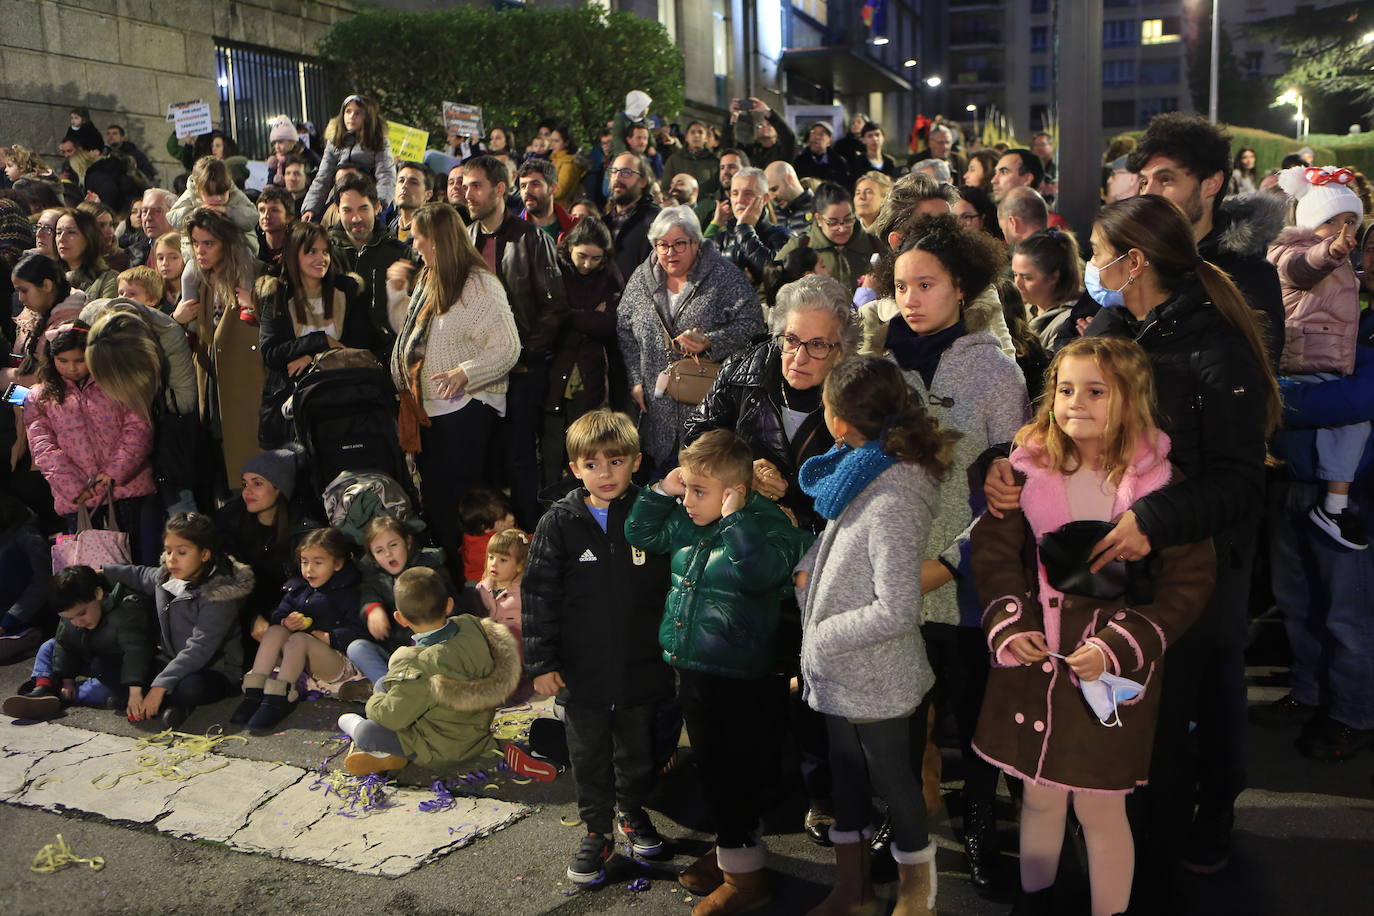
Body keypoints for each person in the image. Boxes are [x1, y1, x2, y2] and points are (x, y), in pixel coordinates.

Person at [986, 194, 1280, 908]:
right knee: (1079, 747)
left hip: (1177, 572)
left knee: (1158, 744)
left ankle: (1157, 875)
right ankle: (1068, 881)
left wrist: (1156, 515)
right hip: (1087, 576)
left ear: (1134, 260)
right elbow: (1055, 420)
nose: (1088, 265)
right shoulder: (1113, 323)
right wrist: (1004, 465)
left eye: (1095, 250)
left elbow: (1242, 481)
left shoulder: (1215, 347)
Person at [972, 336, 1215, 916]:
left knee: (1101, 810)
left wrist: (1118, 647)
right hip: (1033, 669)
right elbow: (995, 553)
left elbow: (1189, 584)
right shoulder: (1024, 473)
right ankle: (1036, 903)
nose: (1075, 401)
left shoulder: (1162, 490)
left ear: (1132, 399)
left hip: (1109, 680)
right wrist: (1009, 625)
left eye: (1096, 391)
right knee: (1038, 798)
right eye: (1065, 389)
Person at [875, 212, 1029, 889]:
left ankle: (979, 825)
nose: (910, 298)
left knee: (976, 712)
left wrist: (960, 558)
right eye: (902, 285)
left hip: (966, 575)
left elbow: (1013, 484)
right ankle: (905, 822)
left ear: (960, 288)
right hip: (894, 567)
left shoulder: (995, 371)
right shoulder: (878, 366)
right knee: (902, 706)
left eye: (926, 284)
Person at [625, 429, 813, 912]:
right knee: (713, 769)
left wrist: (735, 524)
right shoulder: (690, 519)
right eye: (685, 487)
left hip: (742, 676)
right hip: (696, 668)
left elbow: (761, 574)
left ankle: (746, 880)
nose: (687, 500)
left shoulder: (766, 525)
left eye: (697, 490)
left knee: (736, 771)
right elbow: (640, 533)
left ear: (735, 493)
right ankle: (733, 854)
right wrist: (660, 491)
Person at [795, 355, 956, 916]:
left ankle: (919, 896)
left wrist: (821, 635)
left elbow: (896, 607)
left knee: (897, 787)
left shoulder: (891, 495)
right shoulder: (861, 470)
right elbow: (843, 552)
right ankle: (854, 889)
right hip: (844, 672)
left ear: (841, 420)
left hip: (876, 674)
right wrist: (809, 568)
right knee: (848, 785)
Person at [522, 408, 675, 883]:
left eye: (616, 461)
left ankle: (632, 813)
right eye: (592, 464)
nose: (604, 474)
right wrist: (542, 661)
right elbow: (539, 594)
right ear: (574, 469)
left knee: (636, 752)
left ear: (635, 461)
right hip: (581, 672)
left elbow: (673, 587)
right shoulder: (559, 523)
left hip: (640, 666)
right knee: (589, 756)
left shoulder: (652, 516)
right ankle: (596, 831)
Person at [390, 202, 520, 567]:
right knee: (438, 504)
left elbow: (507, 347)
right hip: (430, 411)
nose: (414, 246)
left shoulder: (478, 284)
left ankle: (474, 579)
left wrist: (464, 373)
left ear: (438, 240)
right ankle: (450, 578)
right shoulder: (430, 277)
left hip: (465, 412)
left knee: (461, 505)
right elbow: (412, 336)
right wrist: (395, 293)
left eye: (418, 238)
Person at [461, 155, 570, 529]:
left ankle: (528, 537)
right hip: (477, 373)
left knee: (521, 458)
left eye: (476, 185)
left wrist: (519, 355)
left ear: (499, 189)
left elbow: (554, 309)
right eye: (464, 185)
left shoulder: (531, 239)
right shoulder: (467, 239)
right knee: (482, 459)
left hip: (523, 369)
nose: (467, 193)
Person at [1128, 113, 1285, 367]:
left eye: (1165, 179)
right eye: (1144, 181)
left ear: (1211, 184)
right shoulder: (1129, 259)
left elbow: (1247, 371)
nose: (1148, 194)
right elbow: (1074, 345)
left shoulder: (1250, 277)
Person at [615, 206, 765, 472]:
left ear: (696, 242)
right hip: (655, 407)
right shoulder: (641, 278)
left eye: (679, 244)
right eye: (663, 245)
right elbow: (625, 327)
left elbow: (753, 325)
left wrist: (711, 341)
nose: (670, 252)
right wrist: (635, 380)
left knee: (701, 476)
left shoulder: (724, 275)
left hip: (706, 405)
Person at [336, 566, 520, 775]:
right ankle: (390, 755)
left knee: (366, 731)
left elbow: (390, 718)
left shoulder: (418, 664)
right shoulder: (471, 624)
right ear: (449, 605)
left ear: (400, 618)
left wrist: (374, 701)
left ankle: (388, 753)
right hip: (477, 733)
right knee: (385, 683)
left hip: (439, 750)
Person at [1268, 165, 1366, 549]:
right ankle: (1335, 505)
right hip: (1304, 363)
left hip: (1328, 363)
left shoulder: (1343, 263)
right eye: (1332, 222)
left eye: (1350, 222)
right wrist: (1328, 251)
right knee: (1352, 421)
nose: (1344, 232)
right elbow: (1302, 268)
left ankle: (1333, 504)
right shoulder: (1289, 252)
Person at [24, 322, 160, 564]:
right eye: (62, 360)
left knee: (137, 561)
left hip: (126, 488)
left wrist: (113, 473)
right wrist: (75, 488)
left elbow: (138, 428)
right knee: (90, 567)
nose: (71, 368)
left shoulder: (117, 382)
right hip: (77, 499)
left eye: (79, 360)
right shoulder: (40, 396)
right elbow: (42, 447)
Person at [102, 511, 253, 730]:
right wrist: (101, 572)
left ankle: (163, 701)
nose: (172, 558)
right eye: (168, 550)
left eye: (182, 552)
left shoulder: (219, 593)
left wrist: (159, 686)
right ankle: (155, 699)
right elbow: (137, 574)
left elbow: (200, 649)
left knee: (191, 688)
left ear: (204, 554)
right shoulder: (165, 577)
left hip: (211, 669)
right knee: (105, 665)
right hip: (168, 660)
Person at [256, 220, 379, 446]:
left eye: (325, 252)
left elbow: (360, 345)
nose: (321, 258)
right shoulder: (278, 295)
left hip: (343, 404)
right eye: (311, 252)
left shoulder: (347, 290)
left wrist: (315, 358)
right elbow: (271, 353)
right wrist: (319, 341)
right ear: (294, 255)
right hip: (292, 410)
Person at [232, 527, 365, 730]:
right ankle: (254, 692)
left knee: (299, 639)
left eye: (318, 563)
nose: (309, 569)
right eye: (304, 562)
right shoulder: (298, 588)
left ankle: (280, 697)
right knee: (276, 631)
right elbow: (279, 614)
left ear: (337, 563)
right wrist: (286, 622)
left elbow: (360, 630)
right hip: (298, 659)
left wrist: (330, 637)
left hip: (335, 662)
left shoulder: (348, 591)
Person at [180, 206, 265, 493]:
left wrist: (254, 307)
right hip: (211, 392)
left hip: (246, 394)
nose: (200, 251)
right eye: (195, 243)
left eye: (208, 243)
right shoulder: (199, 284)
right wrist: (176, 320)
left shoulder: (254, 278)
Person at [2, 565, 155, 722]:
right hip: (87, 657)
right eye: (70, 618)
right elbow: (64, 644)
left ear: (98, 593)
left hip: (115, 672)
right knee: (48, 646)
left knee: (100, 691)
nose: (77, 622)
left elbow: (136, 653)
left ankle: (58, 695)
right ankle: (43, 688)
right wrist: (67, 679)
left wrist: (135, 693)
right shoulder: (73, 616)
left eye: (81, 614)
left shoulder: (127, 611)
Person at [213, 449, 320, 653]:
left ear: (279, 488)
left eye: (257, 483)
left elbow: (311, 582)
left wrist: (287, 617)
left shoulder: (305, 525)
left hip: (294, 616)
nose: (247, 491)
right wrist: (252, 616)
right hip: (249, 618)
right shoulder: (229, 523)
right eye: (244, 484)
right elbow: (226, 579)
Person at [544, 217, 623, 483]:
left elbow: (609, 323)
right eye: (582, 256)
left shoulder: (610, 275)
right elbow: (549, 317)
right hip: (552, 371)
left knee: (587, 447)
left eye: (596, 258)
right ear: (569, 248)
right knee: (553, 449)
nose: (588, 264)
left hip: (591, 376)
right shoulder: (554, 269)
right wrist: (587, 316)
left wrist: (569, 315)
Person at [349, 514, 454, 686]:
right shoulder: (374, 576)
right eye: (379, 550)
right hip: (395, 652)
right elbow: (368, 594)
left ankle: (403, 690)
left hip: (428, 648)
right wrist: (373, 609)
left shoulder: (429, 567)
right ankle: (391, 686)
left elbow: (449, 605)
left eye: (393, 545)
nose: (388, 553)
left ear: (408, 542)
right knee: (357, 648)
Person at [326, 173, 413, 352]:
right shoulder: (323, 252)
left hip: (385, 357)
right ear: (337, 210)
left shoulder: (400, 253)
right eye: (348, 210)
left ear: (377, 207)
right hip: (334, 355)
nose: (356, 218)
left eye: (363, 209)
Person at [302, 95, 396, 219]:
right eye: (348, 111)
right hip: (340, 197)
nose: (351, 116)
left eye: (358, 113)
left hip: (369, 197)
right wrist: (310, 208)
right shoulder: (334, 141)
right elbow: (323, 178)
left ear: (368, 117)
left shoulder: (379, 141)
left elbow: (386, 176)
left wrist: (380, 201)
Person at [774, 181, 879, 291]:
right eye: (833, 222)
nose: (842, 228)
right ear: (819, 219)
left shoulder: (874, 246)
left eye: (848, 220)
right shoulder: (800, 247)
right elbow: (769, 285)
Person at [704, 167, 792, 287]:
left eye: (748, 194)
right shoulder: (719, 240)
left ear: (765, 198)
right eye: (735, 193)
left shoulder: (783, 236)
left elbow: (780, 279)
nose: (740, 200)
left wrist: (744, 230)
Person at [475, 528, 532, 704]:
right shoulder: (481, 589)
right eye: (491, 557)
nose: (494, 563)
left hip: (517, 655)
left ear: (520, 565)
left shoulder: (525, 593)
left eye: (503, 560)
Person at [168, 157, 259, 256]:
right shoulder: (192, 194)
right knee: (191, 268)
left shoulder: (233, 193)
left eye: (222, 193)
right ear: (199, 190)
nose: (219, 198)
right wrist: (196, 212)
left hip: (234, 249)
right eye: (211, 194)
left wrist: (228, 211)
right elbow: (172, 217)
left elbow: (253, 216)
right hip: (198, 253)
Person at [1012, 228, 1084, 348]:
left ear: (1053, 277)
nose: (1017, 283)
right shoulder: (1024, 309)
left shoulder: (1067, 324)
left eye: (1027, 278)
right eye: (1015, 274)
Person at [0, 492, 50, 660]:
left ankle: (29, 636)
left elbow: (43, 582)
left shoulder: (28, 536)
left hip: (22, 614)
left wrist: (11, 618)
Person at [604, 152, 661, 281]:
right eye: (614, 171)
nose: (617, 178)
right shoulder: (603, 223)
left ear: (643, 181)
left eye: (626, 172)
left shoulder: (655, 220)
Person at [53, 207, 118, 298]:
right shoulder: (48, 276)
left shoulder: (109, 279)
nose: (61, 239)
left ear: (89, 237)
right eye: (58, 232)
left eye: (71, 232)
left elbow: (106, 311)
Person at [458, 488, 516, 585]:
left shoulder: (498, 527)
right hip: (484, 583)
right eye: (503, 517)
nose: (511, 517)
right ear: (486, 528)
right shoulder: (483, 549)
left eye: (508, 511)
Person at [722, 97, 796, 168]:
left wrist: (767, 112)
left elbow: (789, 137)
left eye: (768, 124)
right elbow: (729, 147)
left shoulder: (782, 150)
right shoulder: (750, 150)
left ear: (776, 130)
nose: (764, 127)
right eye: (760, 125)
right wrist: (732, 118)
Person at [661, 122, 721, 199]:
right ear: (686, 137)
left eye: (700, 132)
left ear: (706, 138)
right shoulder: (674, 159)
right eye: (692, 132)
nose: (696, 135)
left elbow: (717, 191)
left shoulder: (714, 162)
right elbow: (665, 188)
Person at [518, 158, 574, 239]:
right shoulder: (512, 230)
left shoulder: (576, 227)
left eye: (535, 184)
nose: (527, 191)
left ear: (553, 188)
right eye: (523, 186)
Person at [794, 122, 849, 187]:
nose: (816, 137)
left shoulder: (839, 163)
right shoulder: (800, 161)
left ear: (829, 141)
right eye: (813, 133)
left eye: (821, 134)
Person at [78, 200, 129, 270]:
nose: (110, 231)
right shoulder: (70, 257)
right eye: (101, 226)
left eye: (111, 224)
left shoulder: (123, 260)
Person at [389, 161, 430, 245]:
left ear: (428, 194)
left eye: (413, 182)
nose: (404, 186)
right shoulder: (388, 230)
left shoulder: (432, 232)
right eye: (401, 181)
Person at [253, 184, 295, 268]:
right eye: (261, 210)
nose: (266, 215)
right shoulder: (252, 245)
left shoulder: (297, 246)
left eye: (274, 210)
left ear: (289, 217)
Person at [150, 231, 184, 313]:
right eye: (160, 258)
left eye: (173, 257)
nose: (165, 263)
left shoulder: (197, 292)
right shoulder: (151, 292)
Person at [854, 171, 892, 235]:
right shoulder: (849, 231)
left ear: (885, 198)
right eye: (857, 193)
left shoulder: (894, 230)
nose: (861, 197)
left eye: (869, 192)